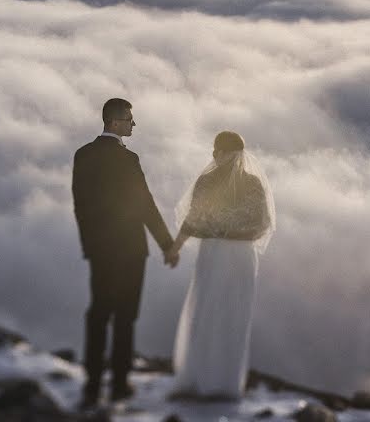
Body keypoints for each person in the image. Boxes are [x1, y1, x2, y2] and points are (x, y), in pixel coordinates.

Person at [72, 97, 180, 407]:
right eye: (130, 119)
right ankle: (119, 385)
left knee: (98, 314)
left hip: (100, 251)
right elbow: (144, 205)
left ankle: (92, 386)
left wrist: (90, 247)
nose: (133, 124)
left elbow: (81, 207)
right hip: (131, 250)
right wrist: (167, 244)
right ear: (116, 122)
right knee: (125, 317)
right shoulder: (128, 160)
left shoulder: (83, 155)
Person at [167, 131, 275, 400]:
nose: (216, 156)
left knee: (217, 312)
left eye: (219, 151)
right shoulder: (246, 183)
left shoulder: (217, 181)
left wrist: (176, 247)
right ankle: (216, 382)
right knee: (220, 313)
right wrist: (176, 246)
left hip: (221, 253)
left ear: (224, 152)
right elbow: (260, 223)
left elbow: (195, 219)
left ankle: (209, 380)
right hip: (232, 254)